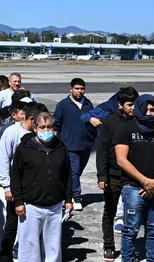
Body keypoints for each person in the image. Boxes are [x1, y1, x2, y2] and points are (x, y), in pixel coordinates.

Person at [114, 94, 154, 262]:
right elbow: (121, 159)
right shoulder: (126, 129)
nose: (150, 113)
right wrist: (144, 181)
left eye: (153, 110)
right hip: (133, 188)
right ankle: (127, 259)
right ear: (139, 109)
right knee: (130, 229)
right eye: (146, 109)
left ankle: (152, 259)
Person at [11, 111, 73, 262]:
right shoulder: (24, 148)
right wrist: (18, 201)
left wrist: (69, 198)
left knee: (53, 246)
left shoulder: (60, 148)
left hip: (55, 205)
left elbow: (67, 175)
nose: (46, 131)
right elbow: (16, 176)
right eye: (43, 127)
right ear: (35, 128)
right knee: (29, 245)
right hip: (31, 206)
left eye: (49, 127)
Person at [0, 102, 39, 262]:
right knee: (4, 221)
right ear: (31, 119)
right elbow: (2, 159)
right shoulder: (11, 132)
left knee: (25, 221)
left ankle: (19, 250)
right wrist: (7, 186)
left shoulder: (36, 134)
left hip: (28, 186)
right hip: (9, 185)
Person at [95, 87, 139, 261]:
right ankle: (109, 246)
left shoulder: (138, 121)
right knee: (110, 212)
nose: (133, 108)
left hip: (133, 175)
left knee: (133, 214)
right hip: (113, 175)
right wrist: (101, 176)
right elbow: (102, 150)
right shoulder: (110, 122)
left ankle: (129, 248)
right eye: (129, 104)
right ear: (120, 105)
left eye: (135, 104)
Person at [53, 77, 96, 211]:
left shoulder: (88, 104)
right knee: (74, 172)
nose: (79, 91)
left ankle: (68, 192)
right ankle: (76, 198)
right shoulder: (63, 105)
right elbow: (56, 125)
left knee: (77, 172)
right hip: (69, 145)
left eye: (82, 89)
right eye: (77, 89)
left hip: (85, 145)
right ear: (70, 89)